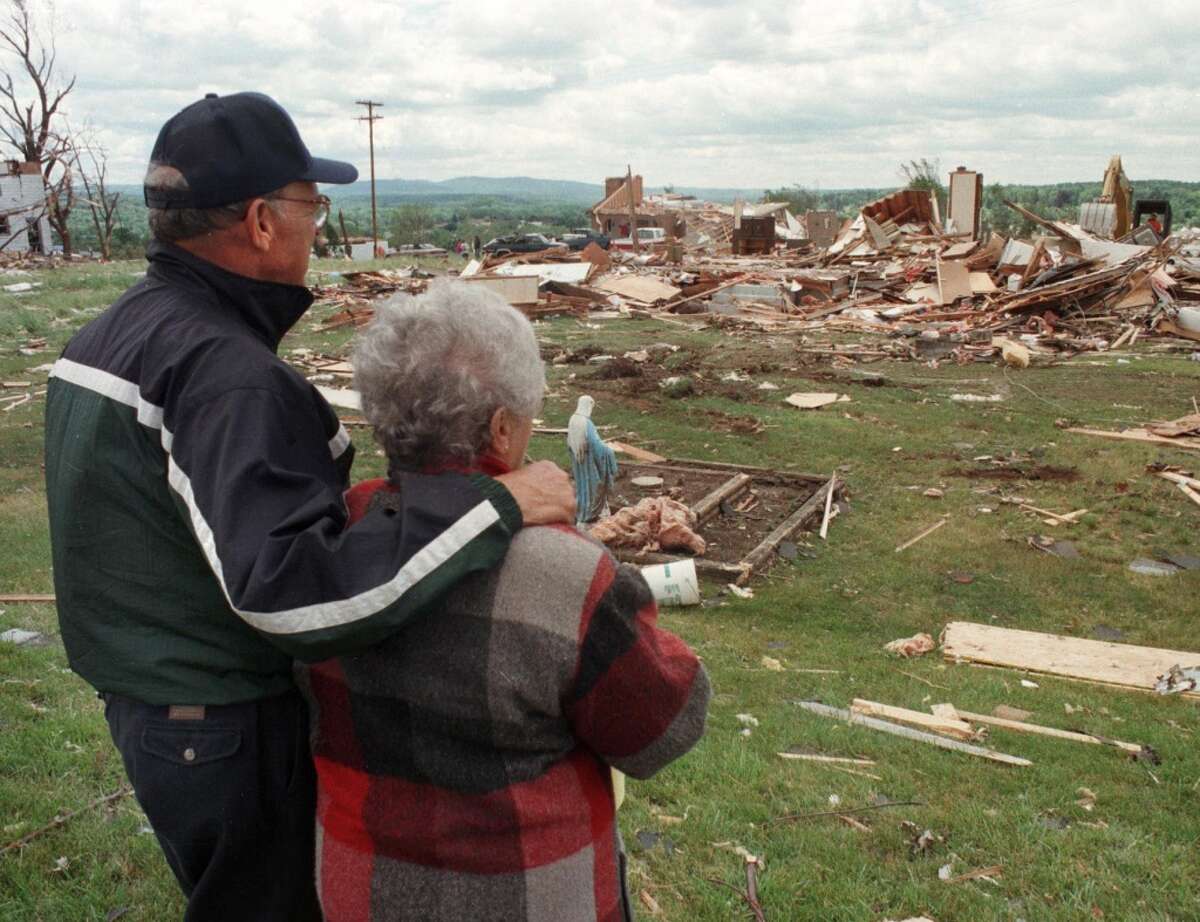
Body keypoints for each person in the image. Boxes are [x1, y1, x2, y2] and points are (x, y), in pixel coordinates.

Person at [43, 92, 574, 922]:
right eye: (309, 205)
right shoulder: (229, 376)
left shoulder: (119, 332)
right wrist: (496, 503)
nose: (314, 225)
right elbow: (295, 593)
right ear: (261, 221)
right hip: (222, 725)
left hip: (159, 709)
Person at [298, 281, 710, 922]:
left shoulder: (330, 542)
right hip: (526, 894)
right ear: (499, 428)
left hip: (364, 887)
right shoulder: (567, 573)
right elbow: (659, 730)